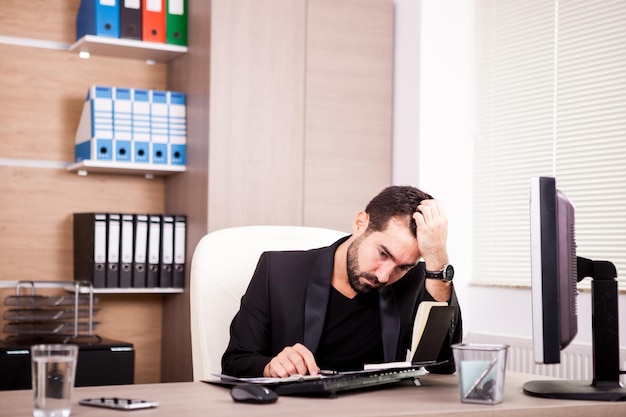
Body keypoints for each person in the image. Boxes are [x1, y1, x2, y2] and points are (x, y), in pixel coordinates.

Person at [221, 185, 462, 378]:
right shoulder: (277, 272)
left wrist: (438, 259)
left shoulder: (417, 280)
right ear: (360, 224)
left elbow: (441, 364)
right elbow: (235, 362)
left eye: (403, 266)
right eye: (382, 254)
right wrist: (270, 367)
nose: (384, 276)